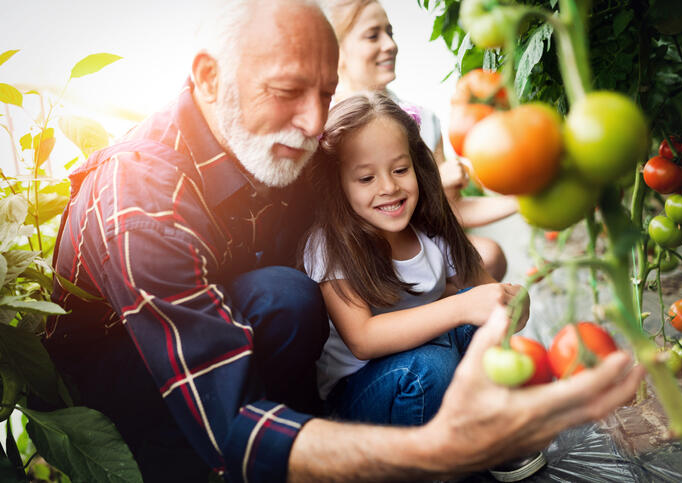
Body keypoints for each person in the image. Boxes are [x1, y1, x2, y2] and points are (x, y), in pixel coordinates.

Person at [42, 1, 645, 482]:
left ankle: (322, 428)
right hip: (139, 377)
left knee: (285, 296)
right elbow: (231, 422)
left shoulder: (287, 145)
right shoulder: (143, 202)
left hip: (243, 323)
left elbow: (402, 203)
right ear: (208, 76)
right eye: (286, 90)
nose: (311, 122)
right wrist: (436, 450)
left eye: (325, 92)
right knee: (302, 330)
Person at [303, 92, 522, 425]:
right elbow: (363, 339)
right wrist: (461, 306)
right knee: (428, 368)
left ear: (416, 165)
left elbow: (488, 294)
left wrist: (511, 305)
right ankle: (421, 464)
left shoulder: (431, 229)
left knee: (478, 323)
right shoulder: (329, 244)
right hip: (362, 393)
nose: (389, 187)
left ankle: (482, 429)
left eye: (400, 169)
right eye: (366, 178)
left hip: (429, 362)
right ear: (338, 185)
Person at [323, 0, 518, 281]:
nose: (390, 44)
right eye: (373, 35)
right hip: (361, 262)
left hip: (419, 251)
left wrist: (524, 201)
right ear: (337, 51)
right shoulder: (325, 128)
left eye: (390, 32)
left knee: (489, 255)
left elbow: (454, 210)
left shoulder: (424, 120)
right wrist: (431, 185)